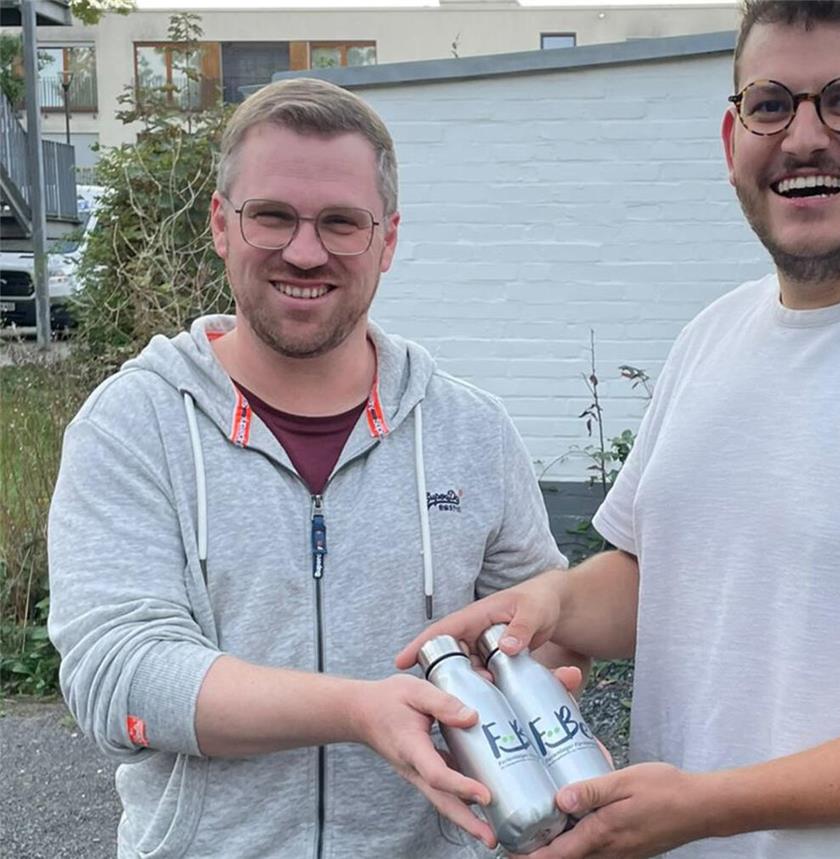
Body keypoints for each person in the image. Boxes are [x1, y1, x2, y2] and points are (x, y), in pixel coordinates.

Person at [396, 2, 840, 857]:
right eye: (772, 104)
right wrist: (553, 602)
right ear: (732, 139)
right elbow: (665, 577)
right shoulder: (711, 337)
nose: (805, 137)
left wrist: (712, 804)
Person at [47, 77, 582, 858]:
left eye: (341, 222)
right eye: (272, 216)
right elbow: (118, 678)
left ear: (387, 239)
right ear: (221, 224)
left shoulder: (471, 430)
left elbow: (545, 625)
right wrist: (357, 710)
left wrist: (530, 680)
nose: (305, 251)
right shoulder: (134, 425)